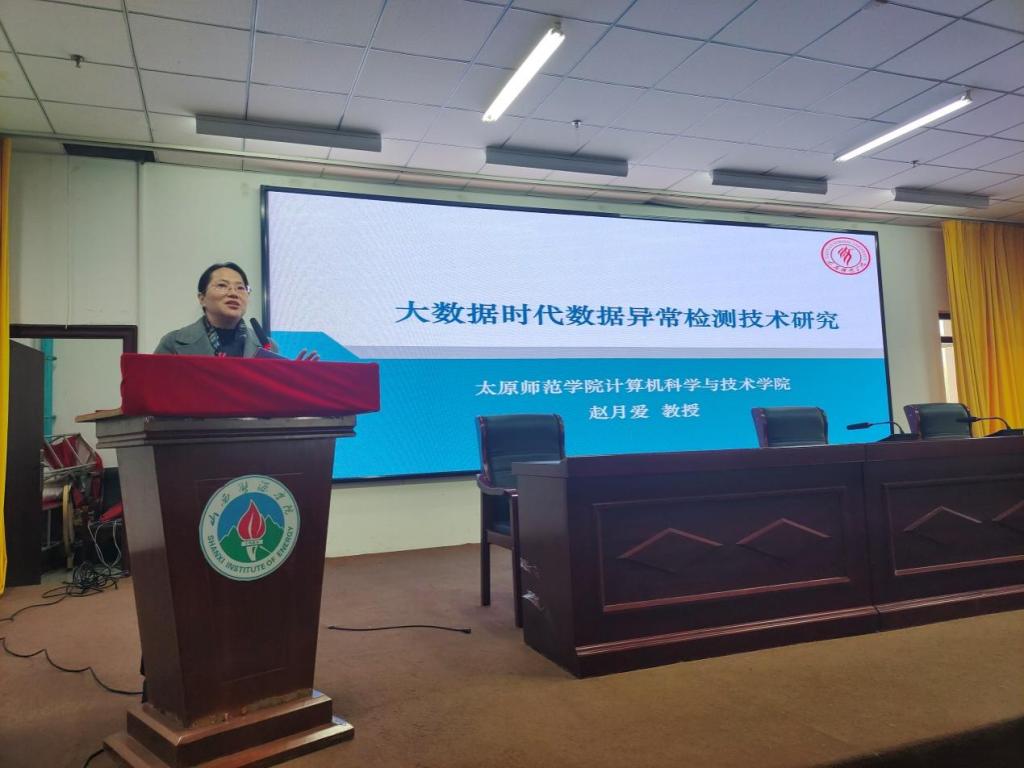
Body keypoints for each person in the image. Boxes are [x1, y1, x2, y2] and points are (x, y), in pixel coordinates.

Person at [154, 262, 317, 359]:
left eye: (240, 288)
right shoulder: (173, 343)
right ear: (202, 298)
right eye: (222, 285)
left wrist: (292, 379)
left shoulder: (268, 347)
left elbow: (272, 400)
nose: (233, 293)